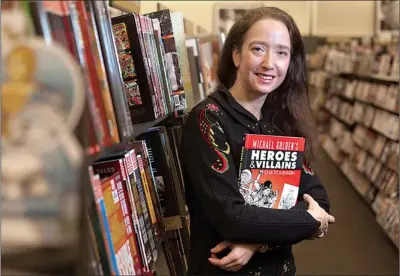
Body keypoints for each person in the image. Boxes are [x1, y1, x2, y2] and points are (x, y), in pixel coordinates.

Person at [179, 7, 335, 276]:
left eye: (281, 52)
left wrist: (257, 242)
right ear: (236, 54)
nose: (269, 63)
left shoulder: (279, 122)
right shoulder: (208, 119)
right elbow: (232, 217)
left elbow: (318, 197)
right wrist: (310, 220)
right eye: (258, 49)